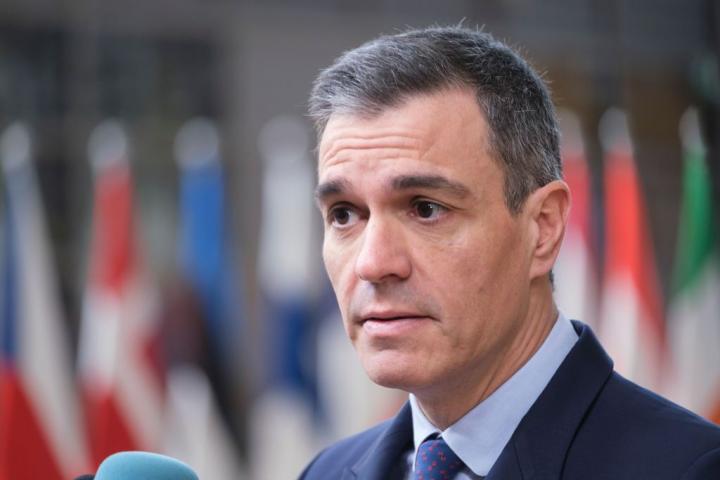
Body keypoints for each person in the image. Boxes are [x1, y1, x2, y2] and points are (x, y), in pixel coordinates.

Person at [300, 26, 720, 479]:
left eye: (426, 209)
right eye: (343, 214)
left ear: (543, 228)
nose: (372, 263)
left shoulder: (690, 470)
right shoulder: (325, 473)